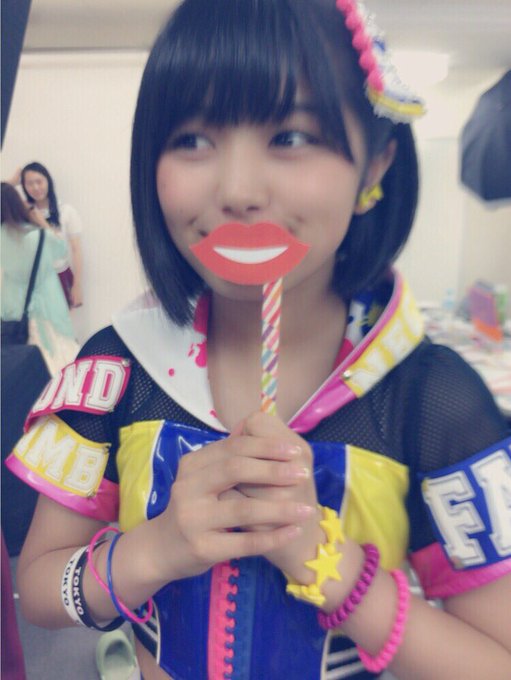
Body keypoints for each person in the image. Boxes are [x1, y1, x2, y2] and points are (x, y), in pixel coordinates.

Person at [6, 1, 511, 678]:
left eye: (291, 136)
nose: (239, 190)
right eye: (191, 139)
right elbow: (38, 592)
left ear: (375, 166)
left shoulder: (431, 401)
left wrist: (328, 566)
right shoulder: (116, 368)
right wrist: (154, 550)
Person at [1, 182, 79, 375]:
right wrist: (42, 223)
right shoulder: (39, 236)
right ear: (17, 204)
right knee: (57, 354)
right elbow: (61, 250)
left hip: (13, 305)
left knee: (21, 358)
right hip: (47, 303)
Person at [19, 161, 84, 308]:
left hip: (60, 276)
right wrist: (12, 181)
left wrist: (77, 285)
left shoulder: (66, 211)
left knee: (62, 322)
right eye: (29, 183)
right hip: (33, 280)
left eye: (39, 181)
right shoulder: (23, 214)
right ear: (24, 186)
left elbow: (76, 250)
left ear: (48, 181)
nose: (36, 187)